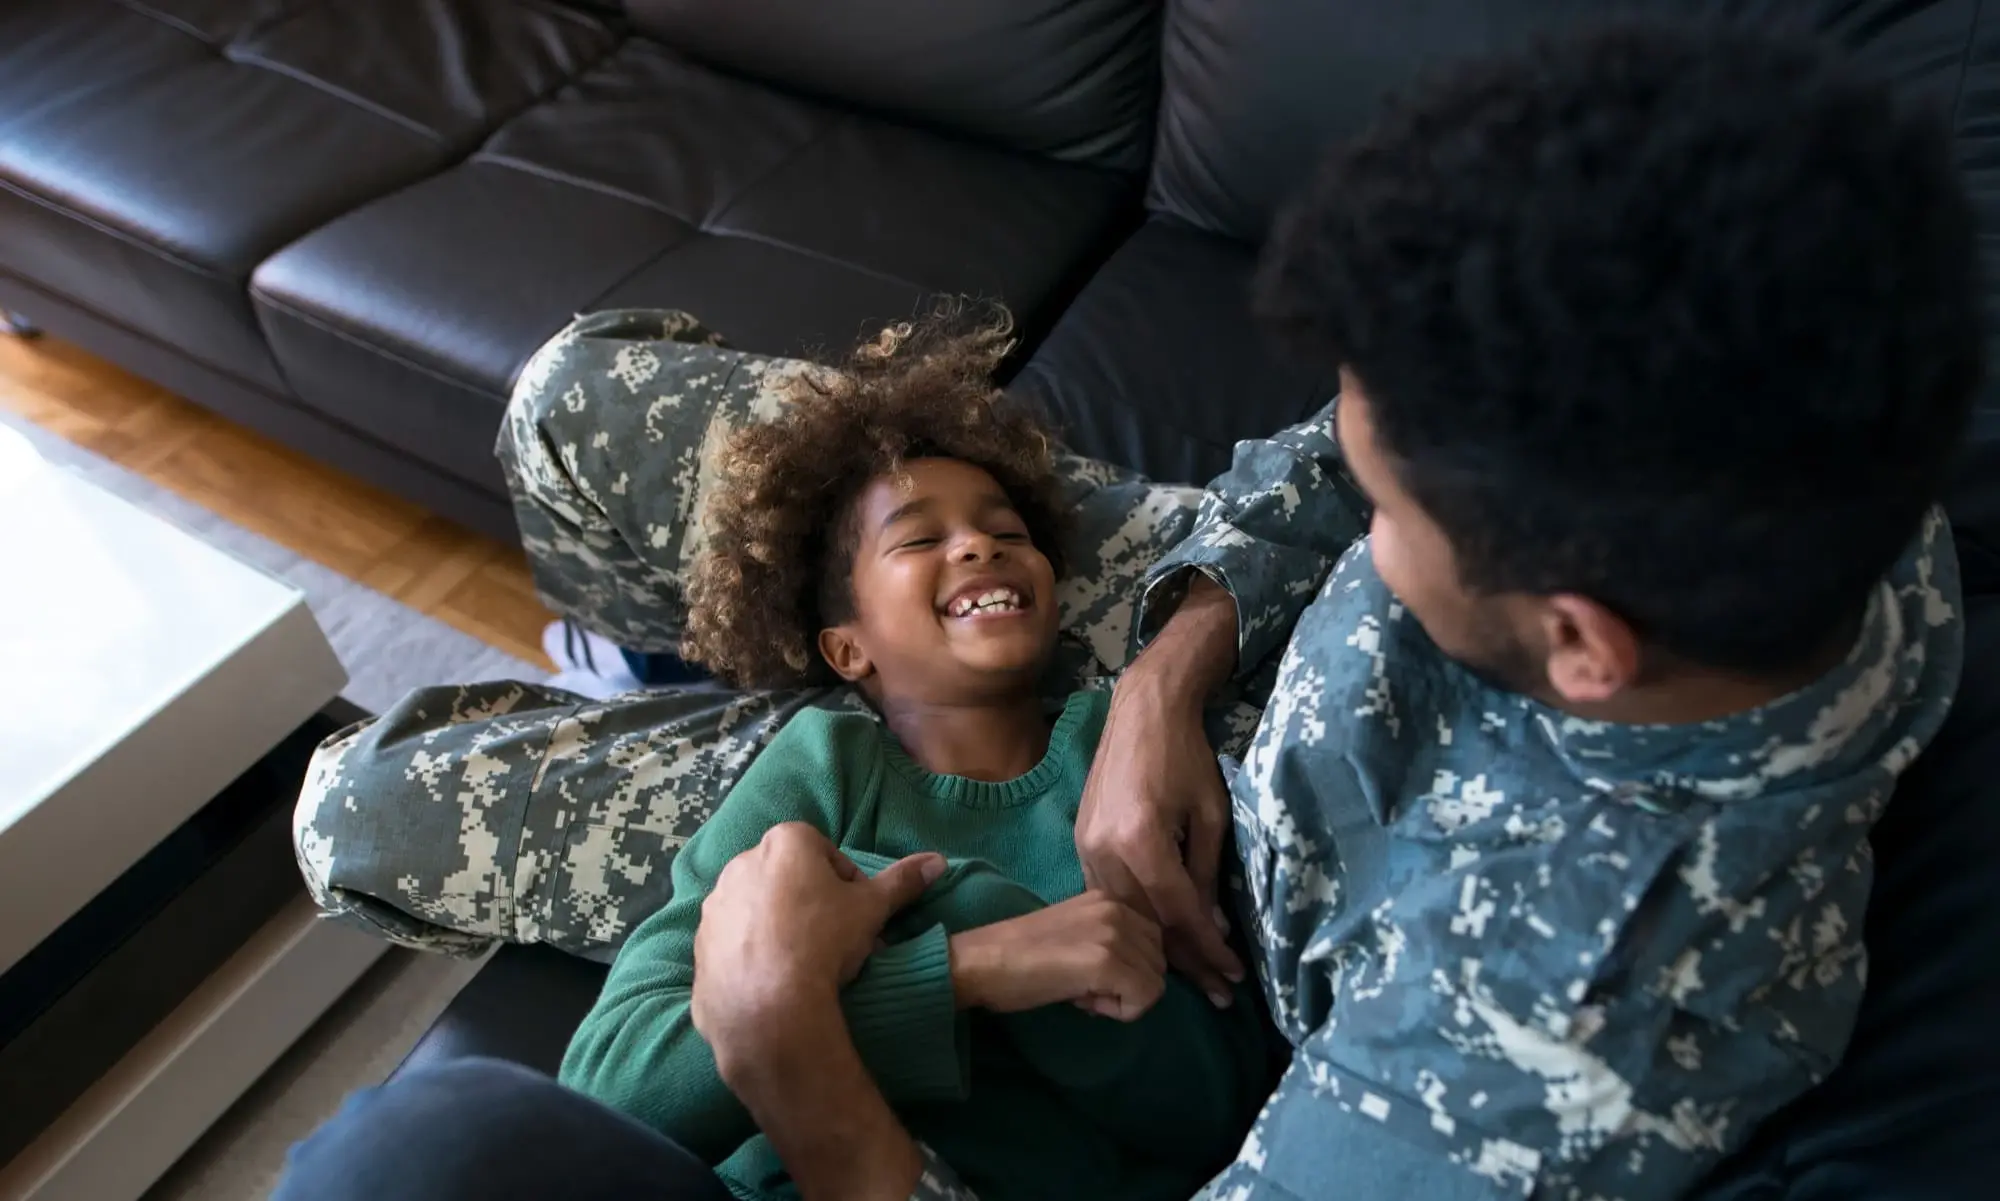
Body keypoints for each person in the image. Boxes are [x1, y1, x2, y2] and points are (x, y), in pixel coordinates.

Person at [278, 18, 1977, 1201]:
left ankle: (721, 716)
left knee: (364, 809)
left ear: (1583, 643)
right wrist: (1173, 662)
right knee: (577, 396)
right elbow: (1334, 459)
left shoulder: (1539, 1050)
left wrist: (807, 1063)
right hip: (1162, 650)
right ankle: (689, 672)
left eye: (1390, 510)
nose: (1351, 487)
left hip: (1131, 912)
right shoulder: (1803, 391)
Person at [557, 314, 1273, 1200]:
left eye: (1008, 532)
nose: (979, 544)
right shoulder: (819, 768)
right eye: (919, 538)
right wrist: (973, 958)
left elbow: (1214, 1108)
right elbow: (607, 1092)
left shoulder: (1121, 757)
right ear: (848, 648)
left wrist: (836, 976)